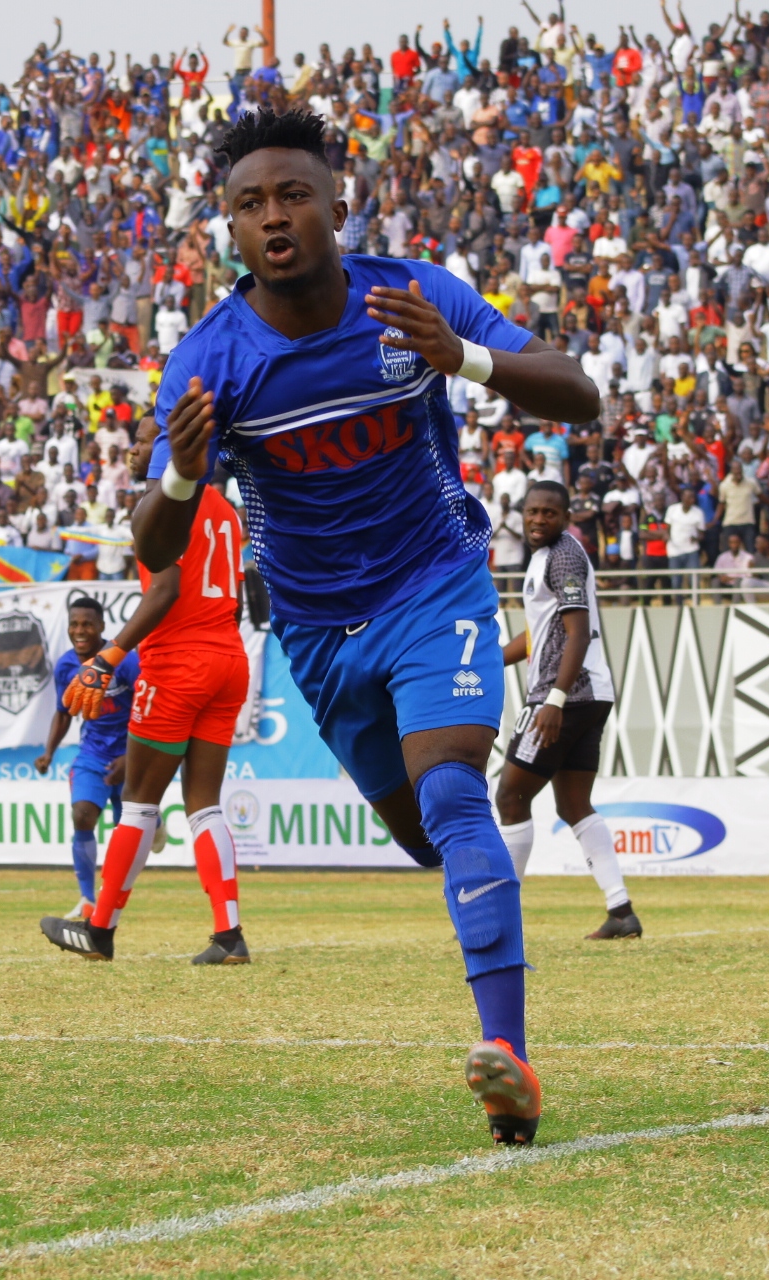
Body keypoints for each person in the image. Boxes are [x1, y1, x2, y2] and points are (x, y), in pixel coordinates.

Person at [134, 110, 601, 1146]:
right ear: (229, 227)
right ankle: (486, 949)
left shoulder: (415, 297)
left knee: (451, 789)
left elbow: (582, 392)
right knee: (424, 834)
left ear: (338, 205)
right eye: (251, 204)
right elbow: (156, 544)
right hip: (316, 628)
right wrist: (178, 466)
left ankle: (508, 1063)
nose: (275, 217)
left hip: (437, 587)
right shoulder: (211, 362)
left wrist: (466, 358)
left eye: (293, 194)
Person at [42, 415, 254, 966]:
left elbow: (162, 592)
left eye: (139, 441)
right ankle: (228, 934)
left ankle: (100, 928)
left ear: (166, 448)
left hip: (177, 663)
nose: (131, 451)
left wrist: (108, 657)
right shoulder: (227, 512)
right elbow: (249, 588)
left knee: (139, 803)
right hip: (229, 656)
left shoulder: (155, 507)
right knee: (203, 804)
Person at [494, 481, 639, 939]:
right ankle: (621, 911)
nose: (539, 520)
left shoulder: (565, 556)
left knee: (511, 797)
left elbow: (577, 633)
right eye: (532, 512)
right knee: (574, 803)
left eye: (549, 513)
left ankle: (499, 919)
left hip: (565, 696)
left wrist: (554, 700)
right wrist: (493, 658)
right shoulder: (542, 559)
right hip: (586, 694)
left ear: (566, 516)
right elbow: (541, 634)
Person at [34, 596, 141, 922]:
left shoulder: (125, 662)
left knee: (133, 832)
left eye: (87, 624)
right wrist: (49, 751)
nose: (80, 631)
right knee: (82, 815)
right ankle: (87, 900)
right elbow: (64, 712)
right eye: (74, 624)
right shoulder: (67, 665)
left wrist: (131, 756)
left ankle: (155, 820)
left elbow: (146, 709)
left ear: (101, 627)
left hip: (132, 754)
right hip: (92, 753)